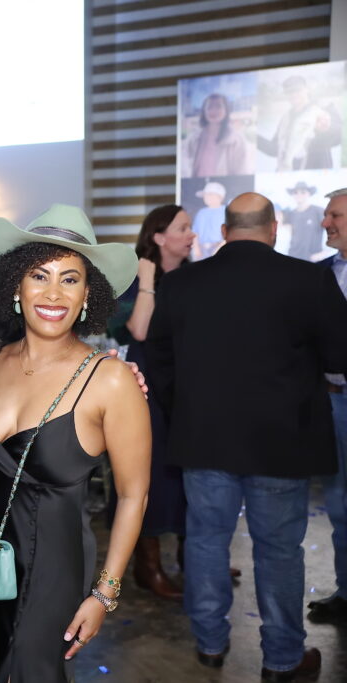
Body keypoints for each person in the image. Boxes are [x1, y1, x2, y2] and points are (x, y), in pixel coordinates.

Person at [146, 192, 347, 681]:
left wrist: (186, 410)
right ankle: (282, 659)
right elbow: (340, 357)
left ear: (225, 231)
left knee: (206, 543)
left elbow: (160, 362)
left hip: (204, 438)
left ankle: (210, 644)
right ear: (273, 229)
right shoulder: (309, 279)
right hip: (282, 442)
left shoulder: (183, 282)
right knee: (278, 551)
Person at [0, 205, 149, 682]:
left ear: (87, 295)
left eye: (70, 279)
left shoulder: (110, 381)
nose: (53, 293)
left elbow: (133, 495)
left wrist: (104, 593)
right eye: (39, 276)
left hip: (50, 575)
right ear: (15, 287)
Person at [108, 205, 194, 601]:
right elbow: (138, 330)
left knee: (189, 475)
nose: (192, 234)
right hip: (146, 390)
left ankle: (194, 558)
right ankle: (148, 566)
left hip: (187, 388)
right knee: (150, 475)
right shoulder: (132, 280)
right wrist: (146, 280)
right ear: (158, 237)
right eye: (183, 227)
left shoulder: (195, 277)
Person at [308, 188, 347, 625]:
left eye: (334, 215)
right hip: (332, 403)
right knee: (338, 505)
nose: (325, 223)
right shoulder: (316, 276)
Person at [258, 75, 343, 171]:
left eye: (297, 90)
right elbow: (274, 150)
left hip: (317, 176)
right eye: (289, 92)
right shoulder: (284, 120)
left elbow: (341, 135)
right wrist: (254, 138)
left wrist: (326, 128)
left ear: (307, 89)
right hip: (288, 176)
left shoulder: (325, 109)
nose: (294, 94)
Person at [182, 93, 251, 178]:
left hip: (225, 186)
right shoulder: (194, 138)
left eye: (218, 106)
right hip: (196, 185)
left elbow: (242, 172)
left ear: (226, 110)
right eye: (209, 107)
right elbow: (184, 164)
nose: (213, 111)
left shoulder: (237, 140)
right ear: (204, 111)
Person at [285, 181, 326, 261]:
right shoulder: (291, 214)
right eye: (296, 192)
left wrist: (324, 253)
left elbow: (334, 231)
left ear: (309, 194)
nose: (299, 195)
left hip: (313, 260)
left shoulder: (318, 211)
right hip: (293, 259)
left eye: (303, 192)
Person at [191, 181, 226, 260]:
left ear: (220, 196)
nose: (206, 197)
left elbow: (229, 232)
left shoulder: (226, 211)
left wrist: (221, 248)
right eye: (205, 195)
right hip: (202, 250)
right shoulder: (201, 213)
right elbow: (195, 232)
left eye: (209, 194)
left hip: (219, 248)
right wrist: (196, 249)